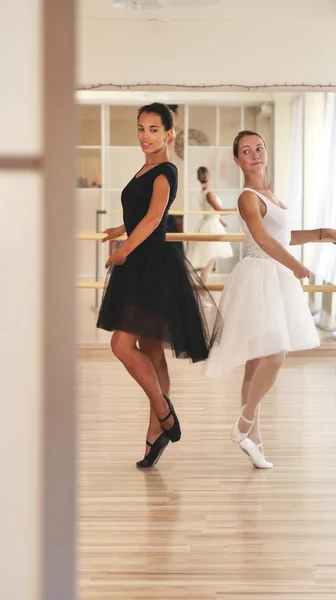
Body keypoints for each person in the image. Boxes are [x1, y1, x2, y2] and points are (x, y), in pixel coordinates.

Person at [205, 130, 336, 469]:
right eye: (246, 151)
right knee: (275, 354)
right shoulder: (247, 197)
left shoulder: (270, 194)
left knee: (256, 364)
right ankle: (243, 425)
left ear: (265, 153)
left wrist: (322, 234)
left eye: (259, 148)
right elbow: (265, 240)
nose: (254, 154)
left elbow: (284, 235)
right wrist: (297, 266)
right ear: (237, 160)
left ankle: (254, 441)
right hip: (261, 275)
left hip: (274, 273)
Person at [97, 103, 221, 469]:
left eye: (153, 129)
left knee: (121, 345)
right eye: (140, 128)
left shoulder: (165, 170)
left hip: (149, 266)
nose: (144, 136)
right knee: (150, 350)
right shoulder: (147, 167)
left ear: (169, 134)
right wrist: (121, 229)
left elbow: (154, 219)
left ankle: (164, 414)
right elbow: (145, 212)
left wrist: (125, 249)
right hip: (140, 263)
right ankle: (157, 432)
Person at [186, 166, 234, 287]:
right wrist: (235, 209)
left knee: (208, 261)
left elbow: (212, 211)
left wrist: (220, 220)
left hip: (209, 223)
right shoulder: (209, 194)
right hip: (210, 226)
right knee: (208, 262)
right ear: (209, 177)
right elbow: (219, 210)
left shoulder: (203, 193)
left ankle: (203, 288)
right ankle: (204, 288)